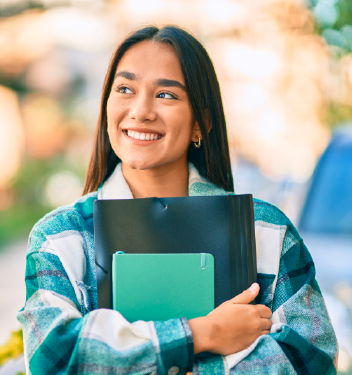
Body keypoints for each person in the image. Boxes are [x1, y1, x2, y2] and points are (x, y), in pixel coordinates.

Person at [17, 25, 338, 375]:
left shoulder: (265, 231)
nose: (140, 111)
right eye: (124, 89)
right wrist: (202, 333)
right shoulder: (61, 237)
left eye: (166, 95)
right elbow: (55, 357)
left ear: (202, 121)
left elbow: (311, 359)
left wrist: (131, 356)